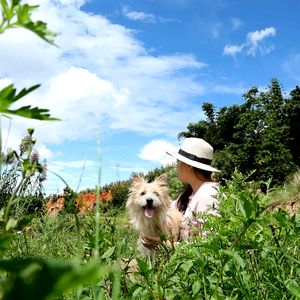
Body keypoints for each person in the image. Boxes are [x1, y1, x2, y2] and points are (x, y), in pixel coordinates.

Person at [140, 137, 221, 249]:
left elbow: (210, 244)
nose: (176, 166)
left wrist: (166, 244)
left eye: (178, 162)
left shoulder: (207, 196)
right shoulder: (189, 193)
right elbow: (166, 208)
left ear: (189, 166)